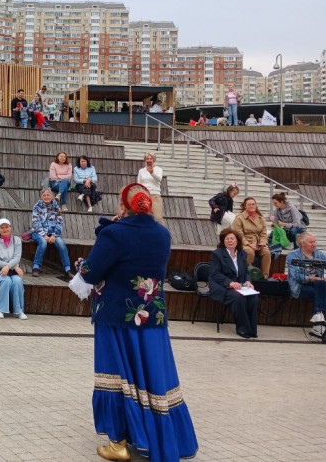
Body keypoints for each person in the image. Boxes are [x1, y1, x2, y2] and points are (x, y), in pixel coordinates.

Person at [70, 183, 198, 462]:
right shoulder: (163, 234)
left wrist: (89, 256)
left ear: (122, 206)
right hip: (153, 317)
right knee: (152, 375)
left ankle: (119, 443)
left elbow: (91, 271)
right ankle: (157, 438)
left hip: (118, 316)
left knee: (116, 375)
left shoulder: (115, 234)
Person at [209, 229, 260, 339]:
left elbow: (246, 272)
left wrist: (248, 281)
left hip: (240, 286)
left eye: (232, 238)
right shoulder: (217, 254)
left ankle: (252, 330)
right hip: (222, 286)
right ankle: (243, 329)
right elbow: (215, 274)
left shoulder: (242, 254)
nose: (229, 241)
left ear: (237, 241)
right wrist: (230, 283)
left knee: (253, 297)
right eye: (227, 239)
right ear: (223, 241)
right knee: (238, 297)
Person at [286, 232, 326, 337]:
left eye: (314, 241)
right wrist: (314, 278)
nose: (314, 244)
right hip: (300, 287)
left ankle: (318, 319)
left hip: (318, 286)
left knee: (320, 284)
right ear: (302, 244)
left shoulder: (319, 254)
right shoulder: (292, 255)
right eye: (311, 242)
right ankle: (318, 324)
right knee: (320, 285)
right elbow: (296, 276)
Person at [0, 218, 26, 319]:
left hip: (12, 270)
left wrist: (9, 266)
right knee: (6, 281)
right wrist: (11, 266)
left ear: (11, 228)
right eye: (2, 228)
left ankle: (19, 310)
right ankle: (0, 309)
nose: (5, 229)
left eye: (7, 227)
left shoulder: (17, 240)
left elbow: (17, 257)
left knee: (17, 281)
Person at [31, 188, 70, 278]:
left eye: (48, 195)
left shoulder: (57, 207)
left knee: (61, 243)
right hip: (38, 232)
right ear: (41, 197)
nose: (46, 197)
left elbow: (59, 223)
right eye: (44, 195)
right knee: (43, 242)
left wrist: (54, 235)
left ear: (52, 196)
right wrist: (44, 235)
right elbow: (35, 222)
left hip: (53, 233)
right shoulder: (37, 207)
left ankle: (67, 269)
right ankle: (36, 267)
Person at [231, 196, 271, 278]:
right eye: (249, 204)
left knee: (266, 253)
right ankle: (246, 275)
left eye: (253, 204)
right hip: (244, 243)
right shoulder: (239, 218)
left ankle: (265, 276)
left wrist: (262, 243)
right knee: (249, 252)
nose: (251, 206)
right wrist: (249, 244)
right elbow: (239, 234)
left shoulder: (260, 218)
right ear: (245, 206)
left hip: (258, 243)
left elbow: (263, 233)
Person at [136, 152, 164, 224]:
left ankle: (162, 234)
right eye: (147, 158)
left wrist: (152, 172)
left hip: (155, 195)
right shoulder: (141, 171)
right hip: (144, 195)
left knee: (158, 217)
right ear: (145, 160)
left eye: (151, 158)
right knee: (144, 217)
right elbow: (139, 183)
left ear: (153, 160)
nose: (149, 160)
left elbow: (159, 179)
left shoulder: (158, 169)